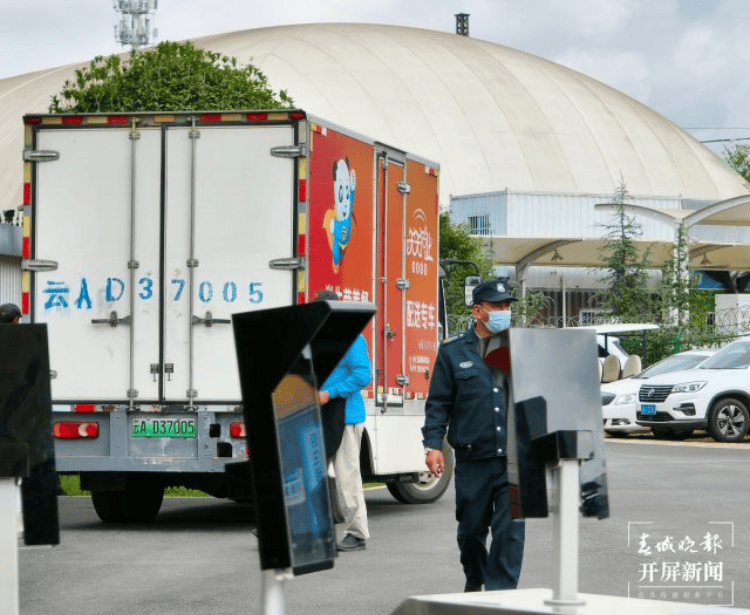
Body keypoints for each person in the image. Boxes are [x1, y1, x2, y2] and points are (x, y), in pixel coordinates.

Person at [422, 279, 525, 592]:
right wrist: (432, 446)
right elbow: (438, 403)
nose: (503, 312)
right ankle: (475, 581)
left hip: (514, 461)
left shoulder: (520, 347)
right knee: (470, 533)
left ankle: (500, 597)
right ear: (478, 311)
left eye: (507, 306)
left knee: (510, 532)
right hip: (472, 460)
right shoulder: (453, 352)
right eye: (497, 306)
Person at [315, 290, 372, 552]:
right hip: (318, 415)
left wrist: (330, 393)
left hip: (346, 418)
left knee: (347, 476)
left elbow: (363, 375)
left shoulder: (352, 339)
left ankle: (357, 533)